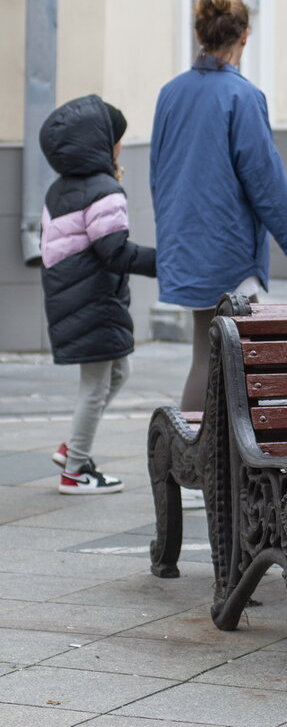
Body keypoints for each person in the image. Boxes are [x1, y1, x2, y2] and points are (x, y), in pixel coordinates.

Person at [150, 0, 287, 412]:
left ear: (198, 33)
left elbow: (159, 172)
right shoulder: (243, 97)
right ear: (244, 36)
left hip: (184, 242)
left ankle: (195, 461)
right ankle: (226, 466)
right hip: (228, 249)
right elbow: (267, 185)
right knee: (241, 359)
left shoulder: (170, 93)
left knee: (203, 355)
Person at [38, 95, 156, 494]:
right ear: (101, 143)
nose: (120, 144)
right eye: (116, 138)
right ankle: (74, 471)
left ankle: (74, 446)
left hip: (76, 299)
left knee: (119, 373)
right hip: (92, 301)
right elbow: (114, 252)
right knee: (95, 386)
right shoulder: (104, 189)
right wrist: (167, 262)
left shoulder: (60, 189)